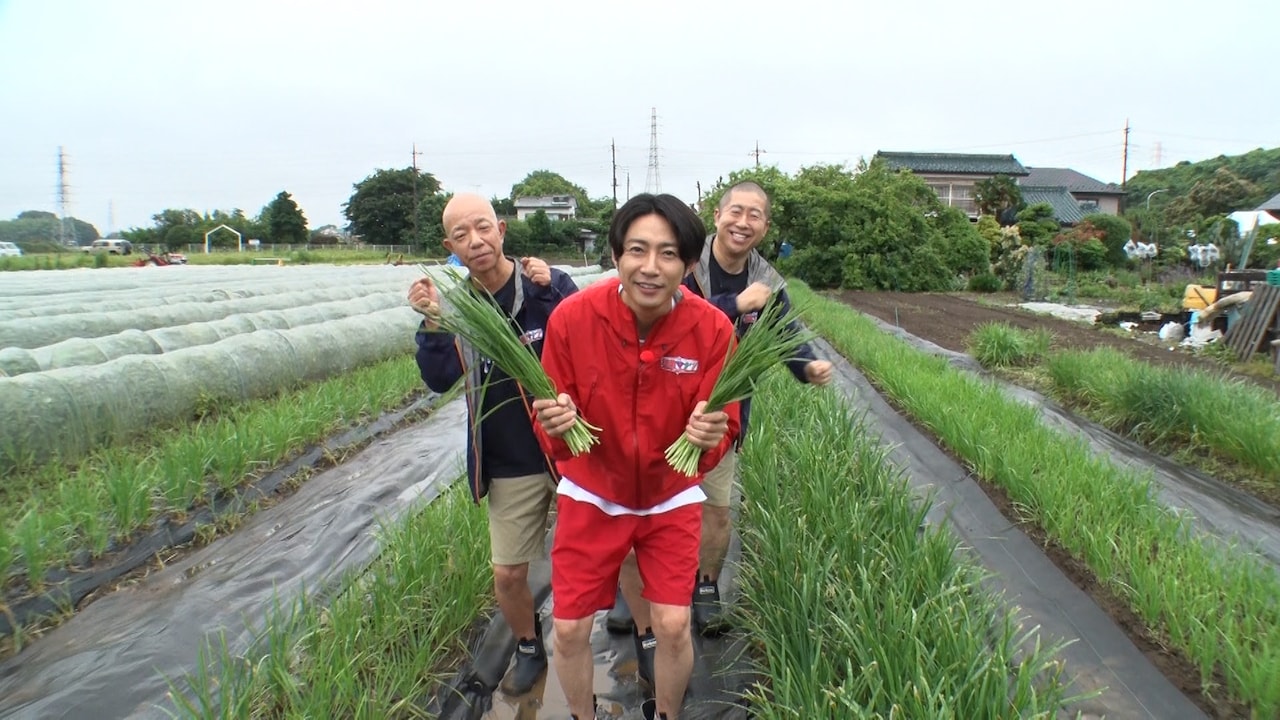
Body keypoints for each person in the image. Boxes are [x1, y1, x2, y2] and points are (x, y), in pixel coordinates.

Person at [531, 193, 740, 720]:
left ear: (689, 264)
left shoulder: (713, 330)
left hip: (669, 497)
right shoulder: (572, 319)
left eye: (668, 254)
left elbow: (724, 426)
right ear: (616, 255)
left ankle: (666, 713)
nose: (650, 268)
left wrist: (706, 436)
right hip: (592, 493)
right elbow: (546, 414)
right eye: (637, 250)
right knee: (571, 627)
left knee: (671, 623)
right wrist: (555, 424)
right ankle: (584, 715)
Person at [608, 182, 833, 637]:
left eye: (755, 215)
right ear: (717, 215)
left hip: (718, 417)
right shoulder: (682, 262)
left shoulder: (766, 283)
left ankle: (705, 587)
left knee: (716, 507)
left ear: (764, 227)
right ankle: (635, 591)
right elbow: (658, 313)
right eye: (736, 211)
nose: (743, 222)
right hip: (656, 410)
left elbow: (783, 331)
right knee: (640, 504)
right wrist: (733, 305)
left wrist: (807, 365)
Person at [408, 193, 578, 696]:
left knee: (597, 550)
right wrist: (433, 323)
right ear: (450, 246)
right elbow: (440, 379)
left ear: (501, 228)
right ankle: (528, 644)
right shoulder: (456, 306)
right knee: (508, 572)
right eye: (461, 235)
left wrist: (552, 296)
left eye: (483, 228)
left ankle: (610, 620)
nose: (475, 241)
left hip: (569, 446)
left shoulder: (546, 283)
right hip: (507, 460)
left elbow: (593, 340)